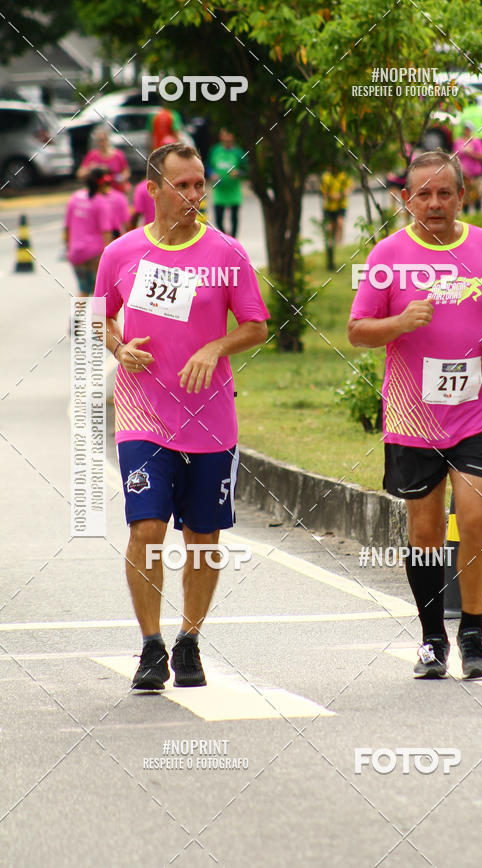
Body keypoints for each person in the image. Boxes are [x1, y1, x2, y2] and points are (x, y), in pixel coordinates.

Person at [348, 151, 482, 681]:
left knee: (476, 519)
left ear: (461, 197)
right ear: (405, 200)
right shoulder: (388, 255)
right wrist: (401, 321)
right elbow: (358, 330)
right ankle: (432, 638)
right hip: (413, 416)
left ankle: (473, 632)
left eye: (444, 193)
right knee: (425, 529)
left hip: (478, 411)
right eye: (422, 194)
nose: (433, 204)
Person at [93, 143, 269, 691]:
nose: (194, 195)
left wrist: (215, 348)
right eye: (183, 185)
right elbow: (100, 319)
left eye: (200, 185)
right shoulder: (121, 254)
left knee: (203, 537)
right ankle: (150, 646)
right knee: (145, 528)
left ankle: (189, 640)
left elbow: (256, 326)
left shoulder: (226, 253)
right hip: (143, 417)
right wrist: (118, 348)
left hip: (211, 421)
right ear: (154, 190)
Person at [65, 168, 113, 297]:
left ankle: (78, 317)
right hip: (95, 254)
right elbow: (106, 232)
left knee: (83, 289)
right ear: (101, 184)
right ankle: (99, 318)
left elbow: (67, 227)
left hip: (76, 252)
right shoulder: (101, 202)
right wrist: (109, 256)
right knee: (100, 293)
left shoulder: (75, 198)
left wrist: (67, 249)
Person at [207, 129, 246, 238]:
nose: (227, 138)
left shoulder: (238, 153)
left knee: (234, 218)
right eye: (225, 135)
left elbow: (246, 170)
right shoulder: (215, 150)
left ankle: (233, 240)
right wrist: (212, 174)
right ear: (221, 137)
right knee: (218, 219)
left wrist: (239, 173)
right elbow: (208, 166)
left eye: (229, 135)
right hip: (219, 191)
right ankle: (225, 238)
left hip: (234, 191)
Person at [77, 125, 131, 192]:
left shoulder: (118, 155)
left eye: (103, 140)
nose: (101, 143)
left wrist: (121, 178)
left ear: (107, 140)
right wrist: (92, 169)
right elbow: (80, 174)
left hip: (116, 191)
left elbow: (126, 171)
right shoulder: (92, 156)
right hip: (98, 193)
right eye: (98, 141)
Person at [452, 124, 482, 213]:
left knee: (476, 195)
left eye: (468, 130)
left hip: (475, 175)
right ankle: (466, 214)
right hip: (463, 175)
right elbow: (454, 156)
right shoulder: (458, 142)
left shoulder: (476, 142)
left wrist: (470, 153)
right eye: (465, 129)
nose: (466, 131)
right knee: (465, 197)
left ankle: (478, 214)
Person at [321, 166, 354, 247]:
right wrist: (332, 196)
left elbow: (350, 187)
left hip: (341, 204)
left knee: (340, 223)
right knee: (330, 227)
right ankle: (330, 243)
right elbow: (323, 191)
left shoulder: (344, 175)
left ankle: (338, 244)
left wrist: (341, 195)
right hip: (329, 206)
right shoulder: (326, 177)